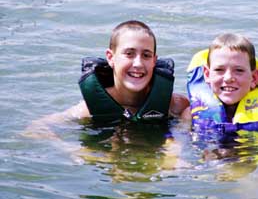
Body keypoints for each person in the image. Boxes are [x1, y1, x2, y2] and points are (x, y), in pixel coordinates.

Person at [26, 20, 189, 138]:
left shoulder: (175, 106)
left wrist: (176, 149)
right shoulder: (90, 109)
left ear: (154, 60)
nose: (138, 63)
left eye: (146, 55)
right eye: (129, 54)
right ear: (111, 57)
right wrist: (72, 151)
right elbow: (36, 128)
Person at [182, 33, 258, 168]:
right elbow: (176, 140)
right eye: (219, 70)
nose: (228, 78)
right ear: (207, 75)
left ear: (254, 78)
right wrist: (174, 158)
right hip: (209, 163)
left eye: (239, 70)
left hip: (251, 165)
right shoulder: (191, 114)